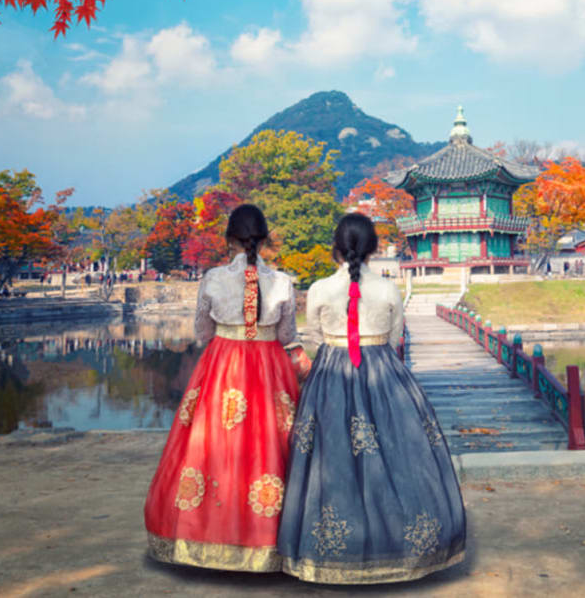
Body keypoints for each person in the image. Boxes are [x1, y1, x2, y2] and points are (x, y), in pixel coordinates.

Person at [277, 213, 465, 584]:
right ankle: (399, 547)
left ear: (335, 247)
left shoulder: (317, 289)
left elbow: (313, 336)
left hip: (330, 373)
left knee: (329, 460)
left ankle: (330, 554)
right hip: (384, 374)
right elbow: (396, 337)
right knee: (402, 455)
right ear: (374, 247)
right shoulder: (389, 290)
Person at [144, 204, 300, 572]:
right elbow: (287, 335)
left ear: (228, 238)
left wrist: (230, 334)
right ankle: (271, 541)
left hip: (223, 366)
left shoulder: (213, 278)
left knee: (210, 444)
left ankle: (203, 535)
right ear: (263, 240)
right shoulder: (282, 280)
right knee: (271, 444)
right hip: (268, 367)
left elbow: (202, 333)